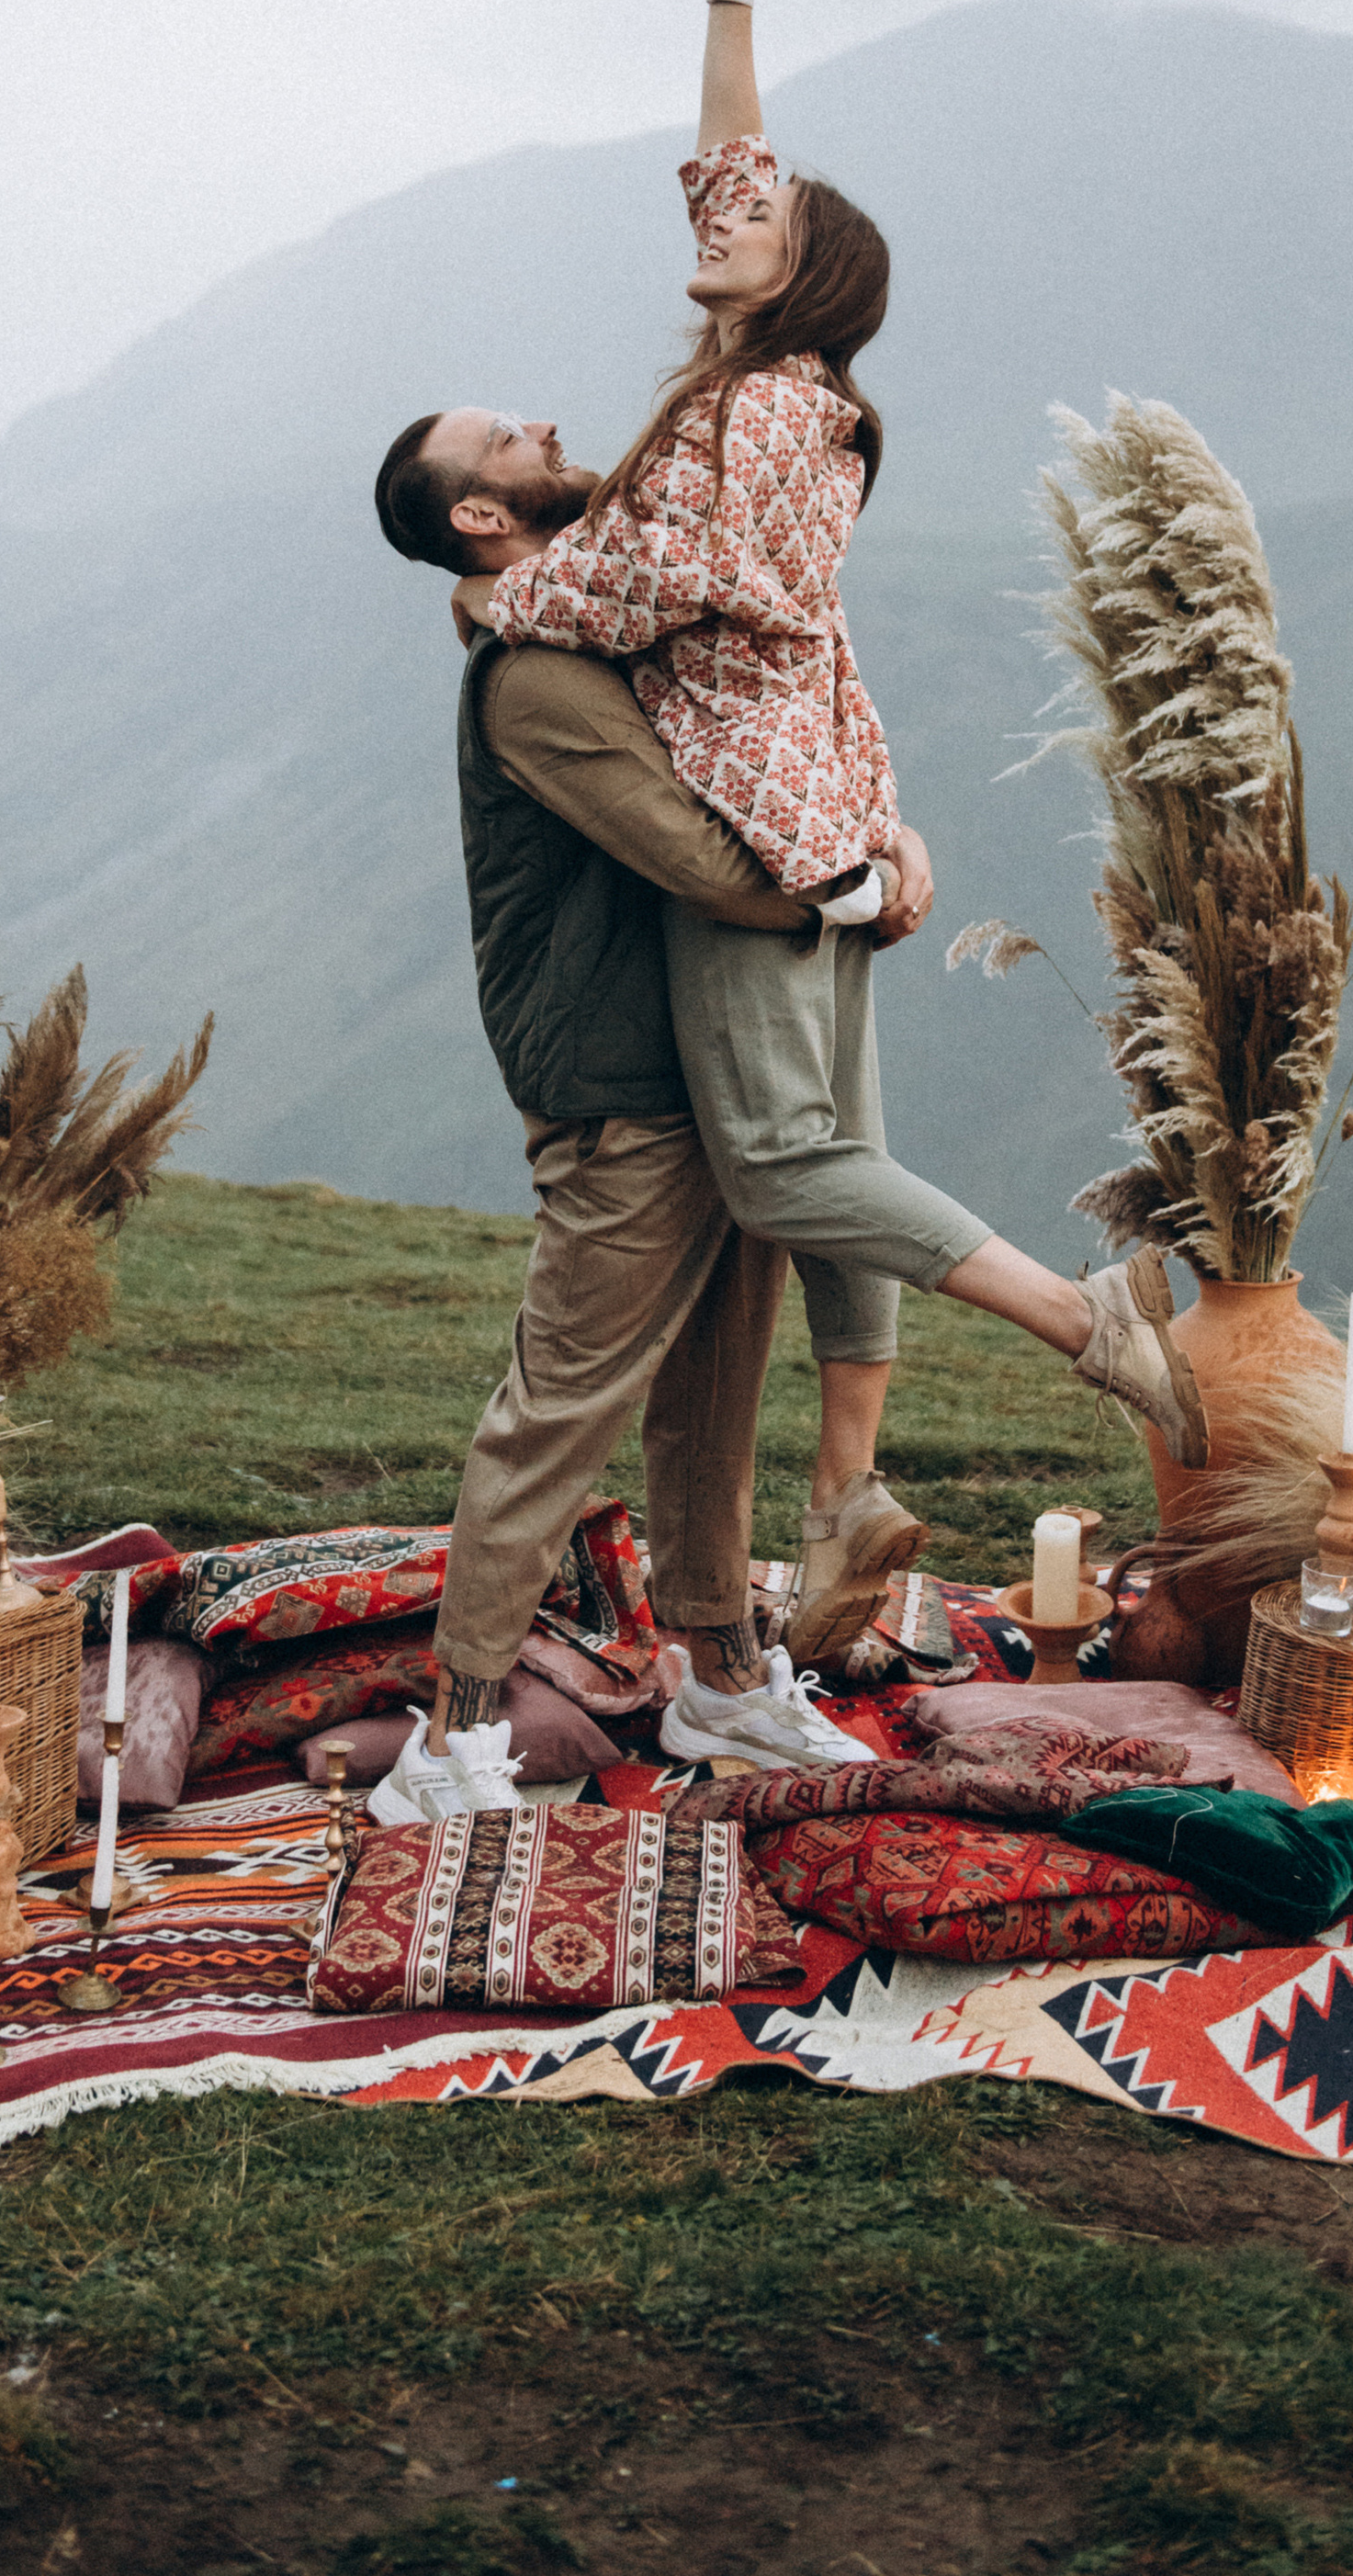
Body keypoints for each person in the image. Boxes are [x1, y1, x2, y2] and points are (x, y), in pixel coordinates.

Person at [444, 0, 1208, 1488]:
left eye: (759, 226)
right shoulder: (772, 395)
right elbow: (730, 164)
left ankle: (1089, 1326)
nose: (724, 218)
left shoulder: (768, 414)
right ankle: (851, 1487)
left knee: (787, 1170)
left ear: (799, 279)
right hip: (827, 816)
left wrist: (512, 593)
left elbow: (674, 582)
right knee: (833, 1157)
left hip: (758, 825)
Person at [370, 414, 894, 1813]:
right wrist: (858, 881)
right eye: (505, 435)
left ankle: (722, 1681)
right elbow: (705, 859)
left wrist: (875, 836)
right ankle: (453, 1737)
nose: (545, 424)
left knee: (713, 1402)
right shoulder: (533, 679)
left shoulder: (603, 634)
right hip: (620, 1096)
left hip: (717, 1072)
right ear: (481, 516)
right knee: (559, 1411)